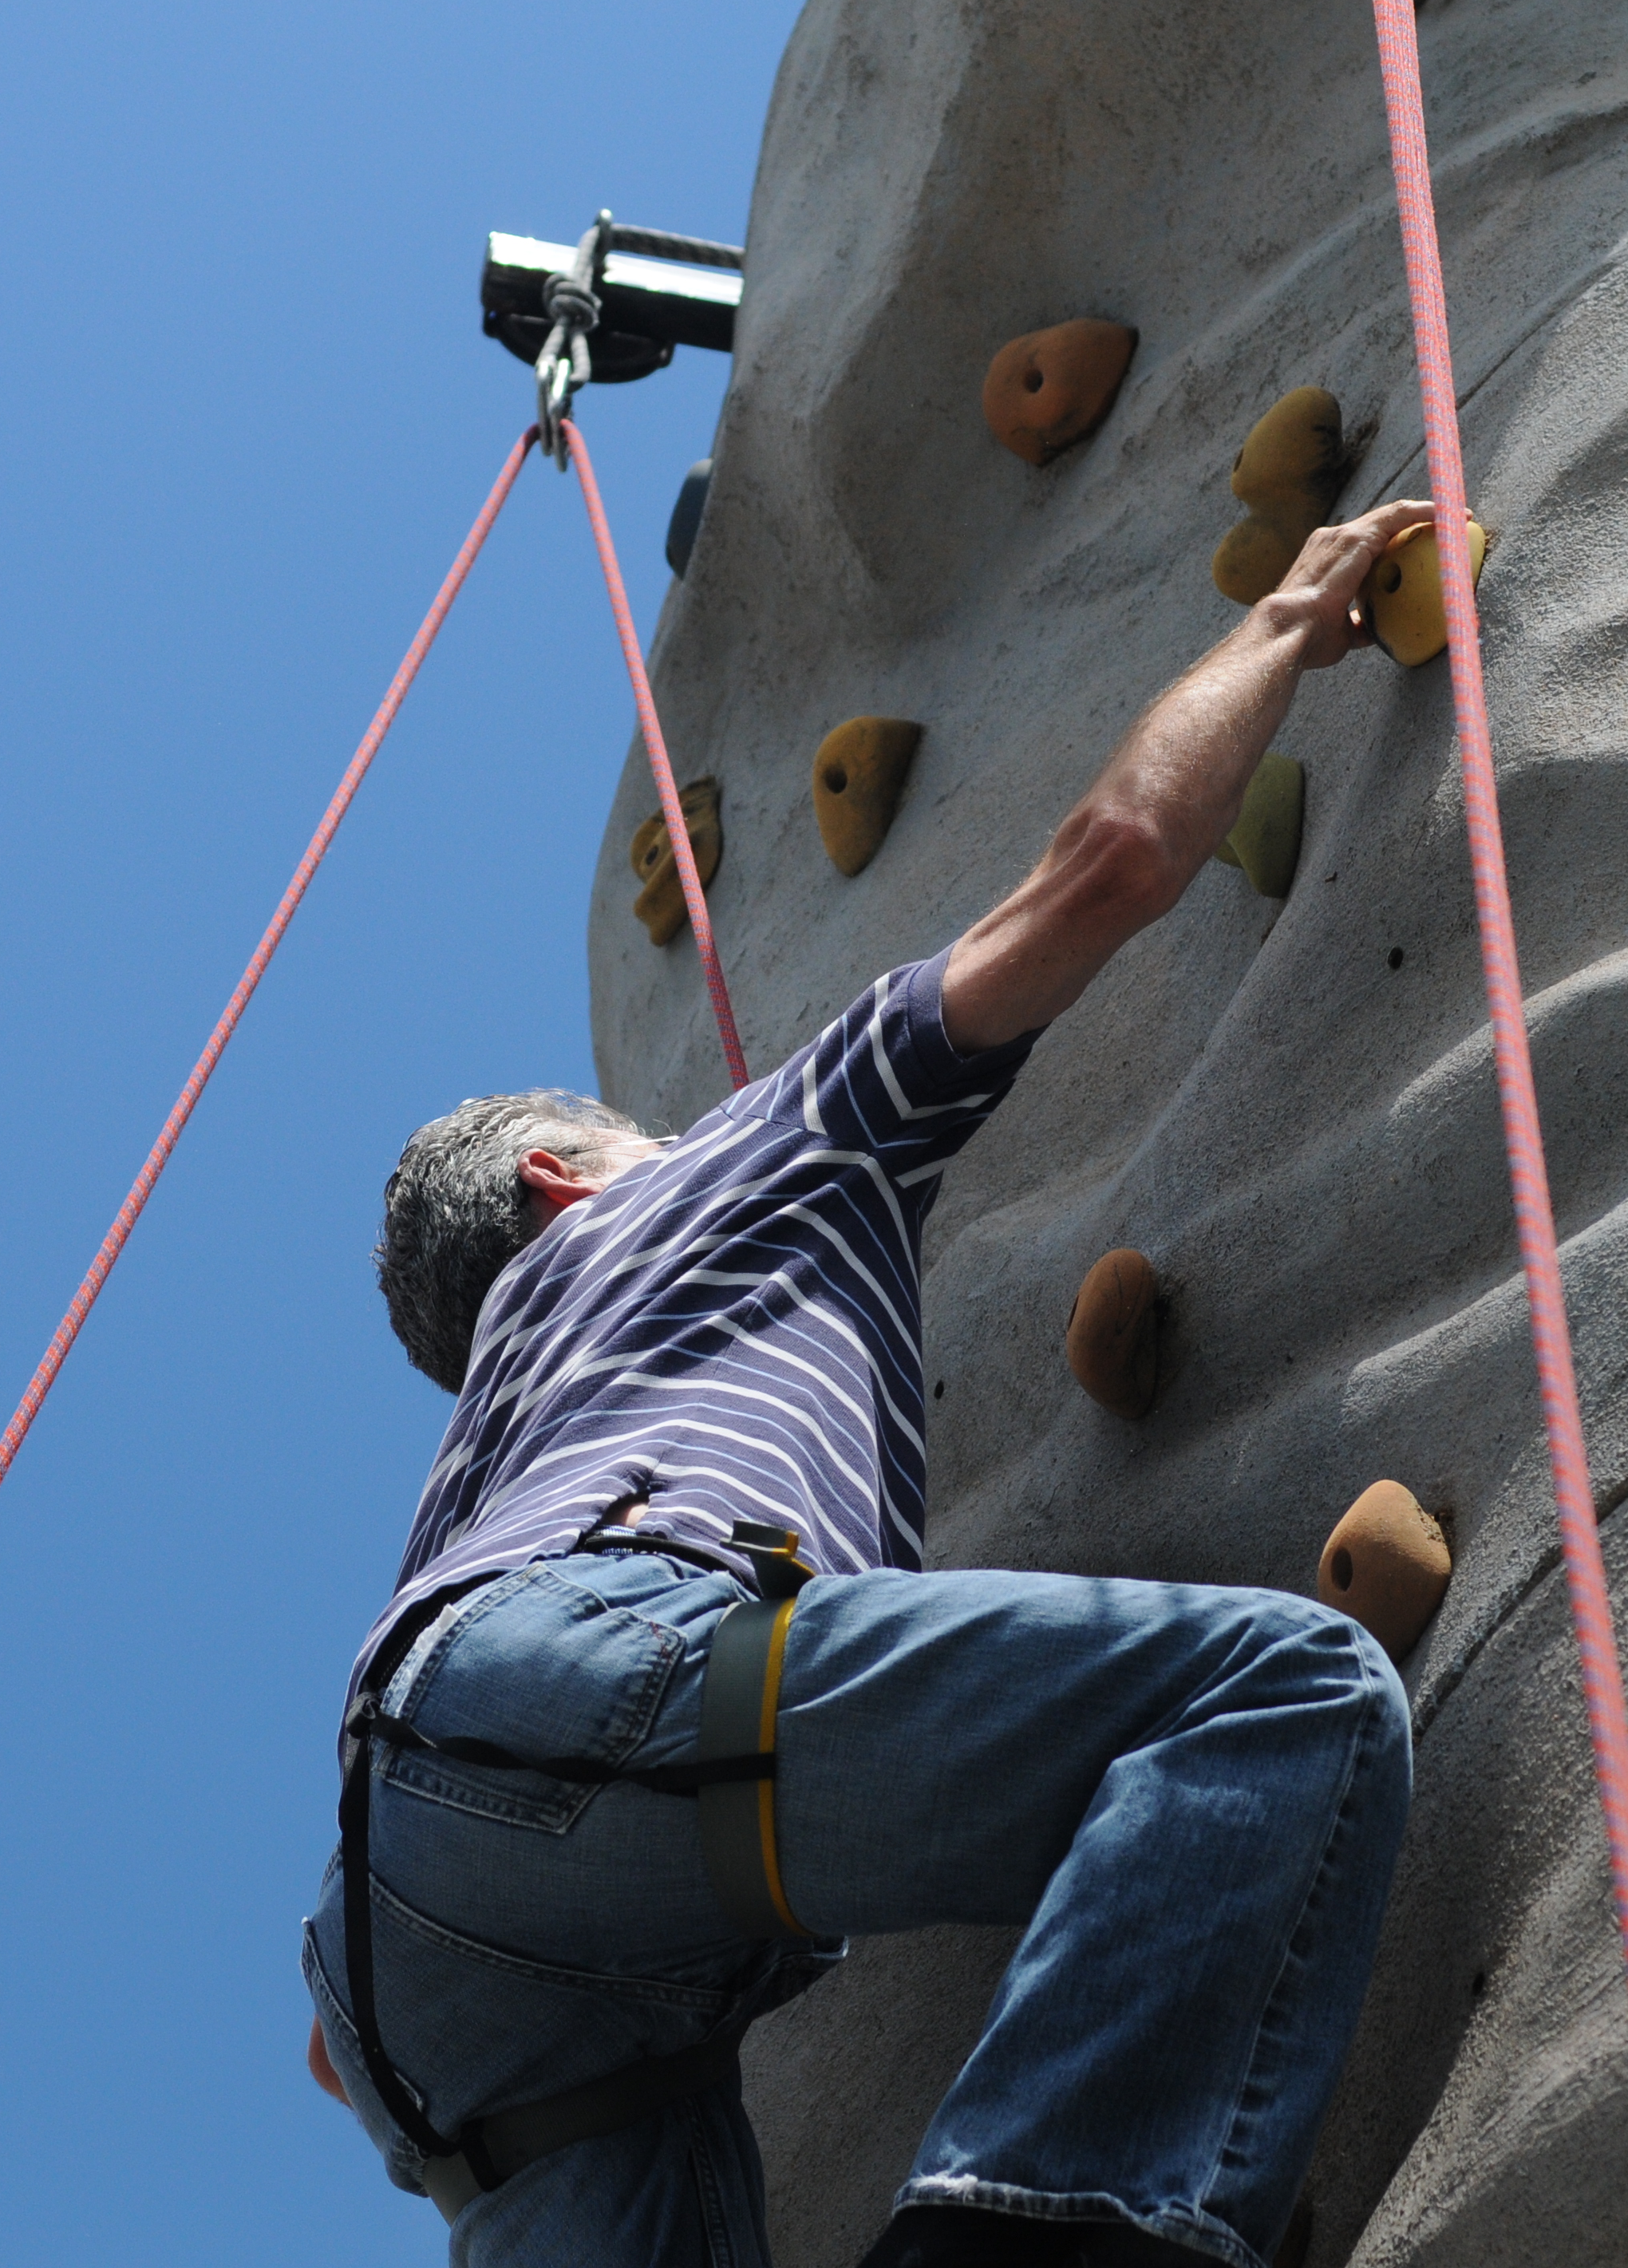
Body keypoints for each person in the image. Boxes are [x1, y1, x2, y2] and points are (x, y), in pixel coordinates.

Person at [304, 497, 1438, 2268]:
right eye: (637, 1130)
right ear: (559, 1177)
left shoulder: (497, 1418)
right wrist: (1287, 620)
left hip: (394, 1958)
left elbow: (340, 2023)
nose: (675, 1133)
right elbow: (1108, 864)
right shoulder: (759, 1152)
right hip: (575, 1696)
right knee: (1266, 1701)